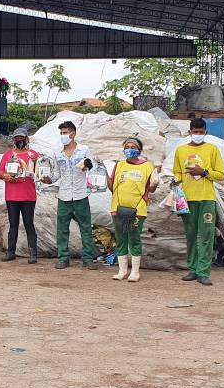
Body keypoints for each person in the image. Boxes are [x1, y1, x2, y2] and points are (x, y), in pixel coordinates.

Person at [173, 118, 224, 286]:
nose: (197, 134)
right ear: (189, 132)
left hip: (206, 199)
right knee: (190, 235)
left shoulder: (212, 149)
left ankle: (204, 272)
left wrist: (203, 172)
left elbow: (221, 175)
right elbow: (177, 172)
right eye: (195, 132)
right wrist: (174, 181)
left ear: (206, 132)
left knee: (206, 235)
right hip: (186, 199)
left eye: (200, 132)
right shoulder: (180, 150)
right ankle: (193, 269)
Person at [48, 121, 98, 270]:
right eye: (61, 133)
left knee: (85, 227)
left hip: (81, 194)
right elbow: (56, 174)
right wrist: (48, 179)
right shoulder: (57, 152)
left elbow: (92, 169)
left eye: (65, 133)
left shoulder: (84, 150)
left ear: (73, 134)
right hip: (63, 195)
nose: (63, 136)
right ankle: (63, 257)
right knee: (62, 229)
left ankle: (88, 258)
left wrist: (88, 166)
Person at [108, 138, 157, 282]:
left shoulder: (147, 166)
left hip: (137, 209)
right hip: (117, 208)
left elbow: (151, 188)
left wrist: (155, 183)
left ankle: (135, 272)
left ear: (140, 150)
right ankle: (122, 270)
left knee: (134, 238)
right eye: (127, 147)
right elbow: (111, 186)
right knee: (121, 238)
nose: (130, 149)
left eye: (133, 147)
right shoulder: (119, 165)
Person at [0, 128, 39, 264]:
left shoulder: (34, 155)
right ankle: (11, 252)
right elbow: (0, 172)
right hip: (12, 195)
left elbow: (41, 171)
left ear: (27, 139)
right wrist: (6, 176)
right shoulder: (8, 155)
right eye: (16, 138)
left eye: (22, 138)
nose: (19, 140)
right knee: (13, 224)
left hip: (28, 195)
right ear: (13, 140)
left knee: (29, 224)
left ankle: (33, 253)